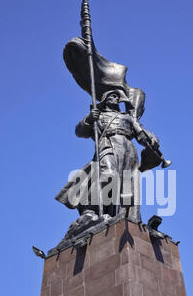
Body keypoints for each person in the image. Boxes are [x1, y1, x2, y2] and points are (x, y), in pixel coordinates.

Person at [56, 89, 159, 230]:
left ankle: (128, 217)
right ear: (105, 99)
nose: (116, 98)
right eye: (112, 96)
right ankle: (94, 211)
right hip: (108, 145)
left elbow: (142, 135)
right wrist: (89, 119)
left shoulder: (128, 117)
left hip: (128, 149)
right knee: (109, 176)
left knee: (128, 185)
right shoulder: (98, 116)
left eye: (118, 97)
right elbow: (79, 132)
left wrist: (152, 139)